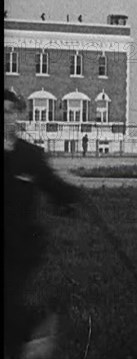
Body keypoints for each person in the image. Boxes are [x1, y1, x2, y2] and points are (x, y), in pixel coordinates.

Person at [4, 89, 83, 358]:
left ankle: (35, 328)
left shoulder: (30, 155)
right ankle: (27, 337)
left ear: (17, 116)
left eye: (8, 112)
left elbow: (52, 185)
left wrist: (73, 196)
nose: (5, 119)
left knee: (8, 300)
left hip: (21, 246)